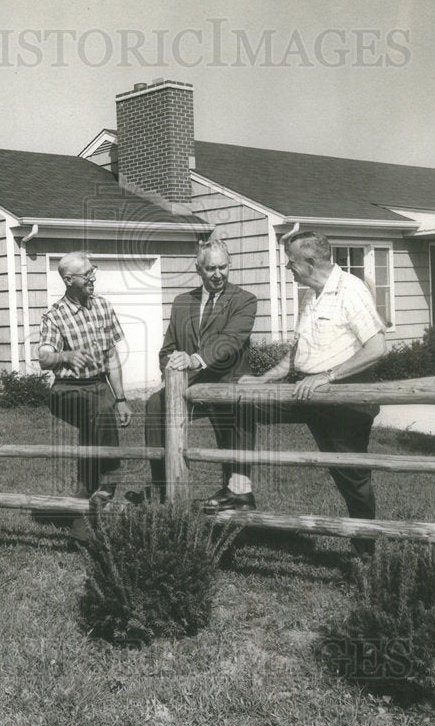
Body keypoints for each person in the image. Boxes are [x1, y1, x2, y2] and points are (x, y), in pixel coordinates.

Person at [240, 231, 387, 554]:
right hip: (307, 392)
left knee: (351, 478)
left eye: (291, 261)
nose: (287, 267)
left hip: (344, 398)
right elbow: (296, 352)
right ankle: (238, 490)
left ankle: (365, 552)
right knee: (243, 404)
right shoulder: (310, 296)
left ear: (309, 262)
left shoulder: (350, 290)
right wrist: (265, 380)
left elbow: (377, 347)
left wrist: (328, 377)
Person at [144, 239, 258, 511]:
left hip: (228, 382)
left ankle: (238, 491)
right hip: (189, 385)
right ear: (199, 269)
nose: (218, 274)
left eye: (223, 267)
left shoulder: (244, 300)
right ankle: (164, 485)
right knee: (155, 405)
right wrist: (170, 364)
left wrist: (194, 359)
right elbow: (167, 349)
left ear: (230, 266)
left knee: (236, 414)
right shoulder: (183, 302)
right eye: (211, 269)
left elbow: (230, 341)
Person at [37, 251, 133, 508]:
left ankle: (86, 492)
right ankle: (109, 480)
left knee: (98, 417)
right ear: (69, 280)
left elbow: (111, 355)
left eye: (93, 271)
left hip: (99, 384)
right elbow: (44, 358)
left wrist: (121, 398)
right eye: (87, 273)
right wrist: (65, 355)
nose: (93, 277)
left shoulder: (103, 306)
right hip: (68, 389)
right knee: (101, 409)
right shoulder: (54, 316)